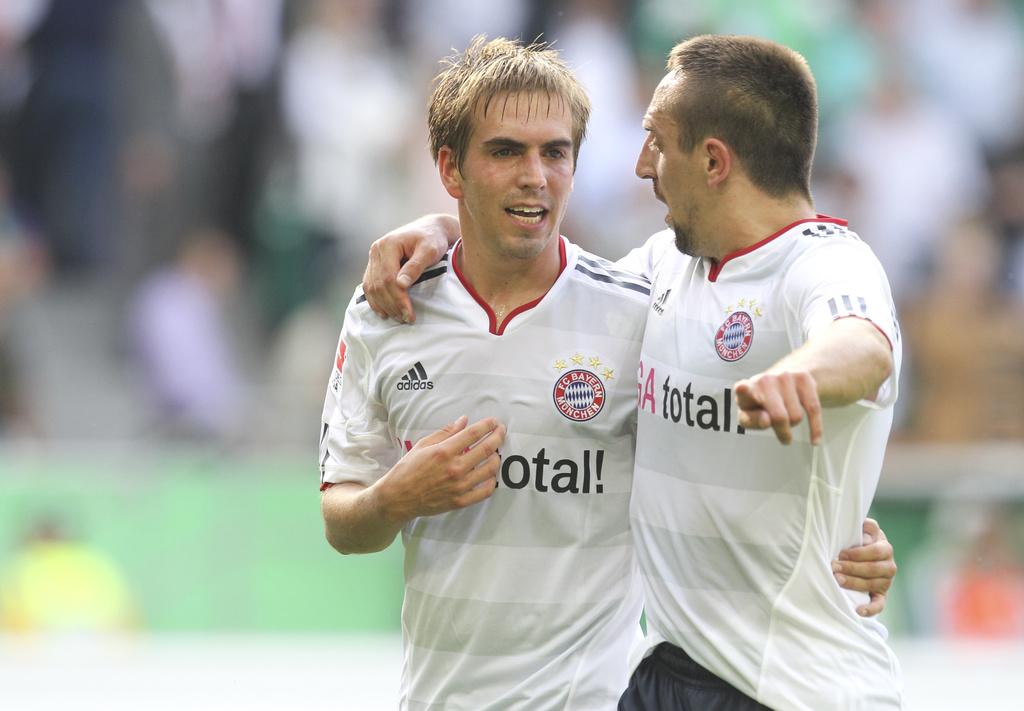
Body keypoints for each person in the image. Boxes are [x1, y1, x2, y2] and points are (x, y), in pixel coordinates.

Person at [339, 36, 897, 710]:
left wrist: (802, 375)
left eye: (656, 142)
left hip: (800, 689)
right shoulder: (660, 272)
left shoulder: (827, 261)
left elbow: (862, 344)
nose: (640, 166)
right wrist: (445, 229)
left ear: (713, 161)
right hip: (670, 674)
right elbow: (545, 274)